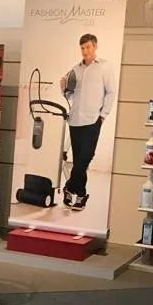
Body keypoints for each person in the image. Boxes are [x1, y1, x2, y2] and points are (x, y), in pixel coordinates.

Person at [58, 33, 116, 212]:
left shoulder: (105, 67)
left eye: (88, 47)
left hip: (93, 120)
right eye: (82, 48)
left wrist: (103, 116)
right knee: (79, 160)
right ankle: (81, 195)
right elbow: (70, 95)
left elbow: (111, 92)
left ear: (95, 46)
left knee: (86, 157)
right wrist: (63, 88)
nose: (85, 51)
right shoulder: (75, 69)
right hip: (75, 120)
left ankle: (69, 187)